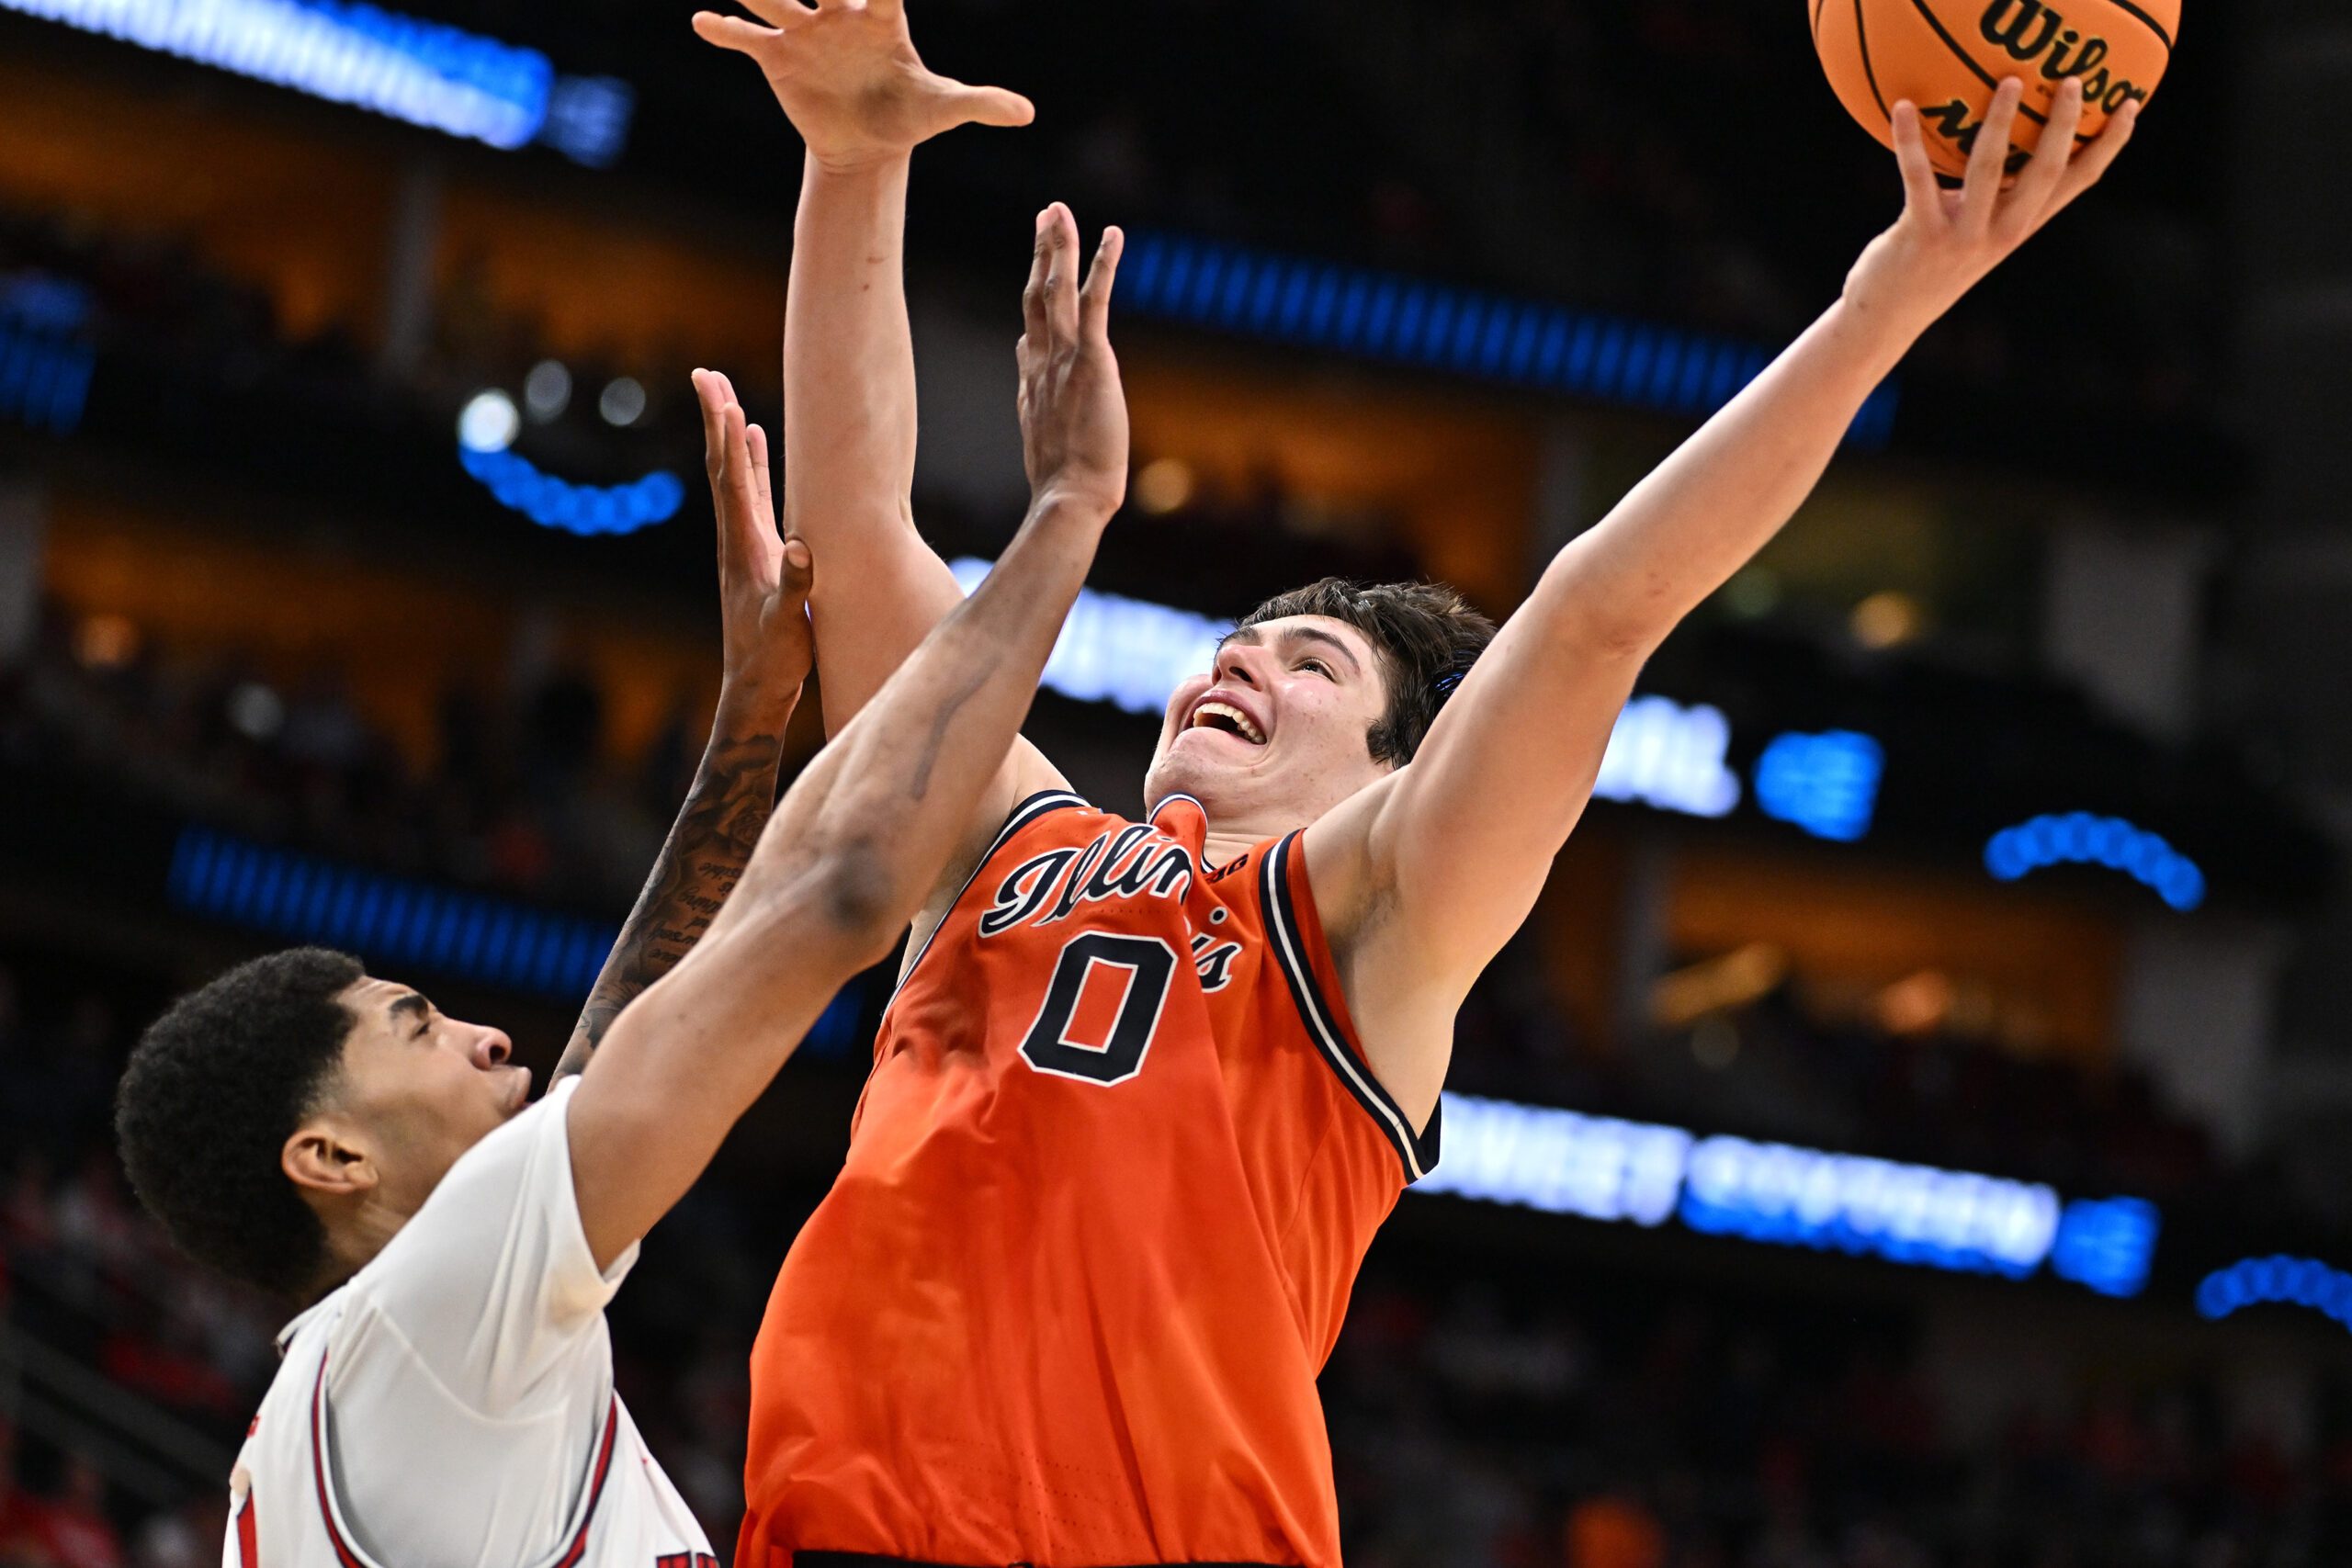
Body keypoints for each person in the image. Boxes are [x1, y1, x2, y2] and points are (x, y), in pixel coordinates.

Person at [697, 6, 2140, 1562]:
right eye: (1237, 646)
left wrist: (1886, 300)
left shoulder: (1369, 921)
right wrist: (851, 163)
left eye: (1313, 667)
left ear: (1398, 770)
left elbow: (1596, 613)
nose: (1236, 668)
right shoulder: (1005, 837)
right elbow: (855, 546)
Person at [107, 210, 1131, 1567]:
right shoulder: (430, 1317)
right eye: (414, 1026)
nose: (486, 1032)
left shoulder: (383, 1368)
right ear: (333, 1159)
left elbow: (616, 1064)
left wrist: (752, 725)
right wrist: (1065, 511)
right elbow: (839, 896)